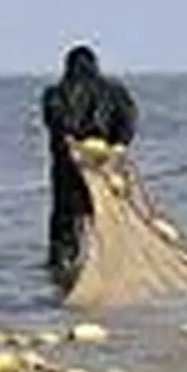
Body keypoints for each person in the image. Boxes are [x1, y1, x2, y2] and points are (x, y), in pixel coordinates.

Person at [40, 44, 138, 281]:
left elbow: (57, 123)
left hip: (68, 170)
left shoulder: (55, 93)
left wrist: (74, 144)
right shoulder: (115, 91)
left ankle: (63, 270)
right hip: (105, 167)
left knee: (65, 222)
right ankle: (107, 265)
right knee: (105, 217)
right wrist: (118, 145)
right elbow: (128, 119)